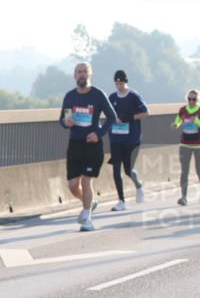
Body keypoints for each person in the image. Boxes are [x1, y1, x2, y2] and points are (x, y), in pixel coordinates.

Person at [60, 63, 118, 232]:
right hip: (75, 144)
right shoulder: (70, 97)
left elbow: (112, 117)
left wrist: (98, 134)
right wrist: (66, 122)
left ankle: (87, 219)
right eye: (79, 72)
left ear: (89, 74)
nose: (82, 75)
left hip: (92, 145)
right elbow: (63, 119)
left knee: (86, 181)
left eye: (85, 72)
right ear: (75, 75)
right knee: (72, 185)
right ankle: (89, 204)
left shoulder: (97, 95)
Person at [107, 70, 148, 211]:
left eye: (121, 83)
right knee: (116, 169)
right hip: (116, 138)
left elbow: (145, 112)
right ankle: (121, 201)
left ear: (126, 82)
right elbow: (106, 112)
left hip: (131, 139)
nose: (119, 86)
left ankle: (139, 185)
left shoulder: (133, 96)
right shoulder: (112, 97)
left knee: (128, 170)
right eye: (116, 83)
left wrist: (128, 118)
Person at [172, 89, 200, 206]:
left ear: (198, 100)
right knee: (184, 171)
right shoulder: (183, 110)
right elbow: (178, 120)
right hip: (185, 144)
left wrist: (196, 121)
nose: (191, 101)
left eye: (194, 99)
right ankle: (184, 197)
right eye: (189, 99)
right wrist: (176, 124)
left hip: (198, 145)